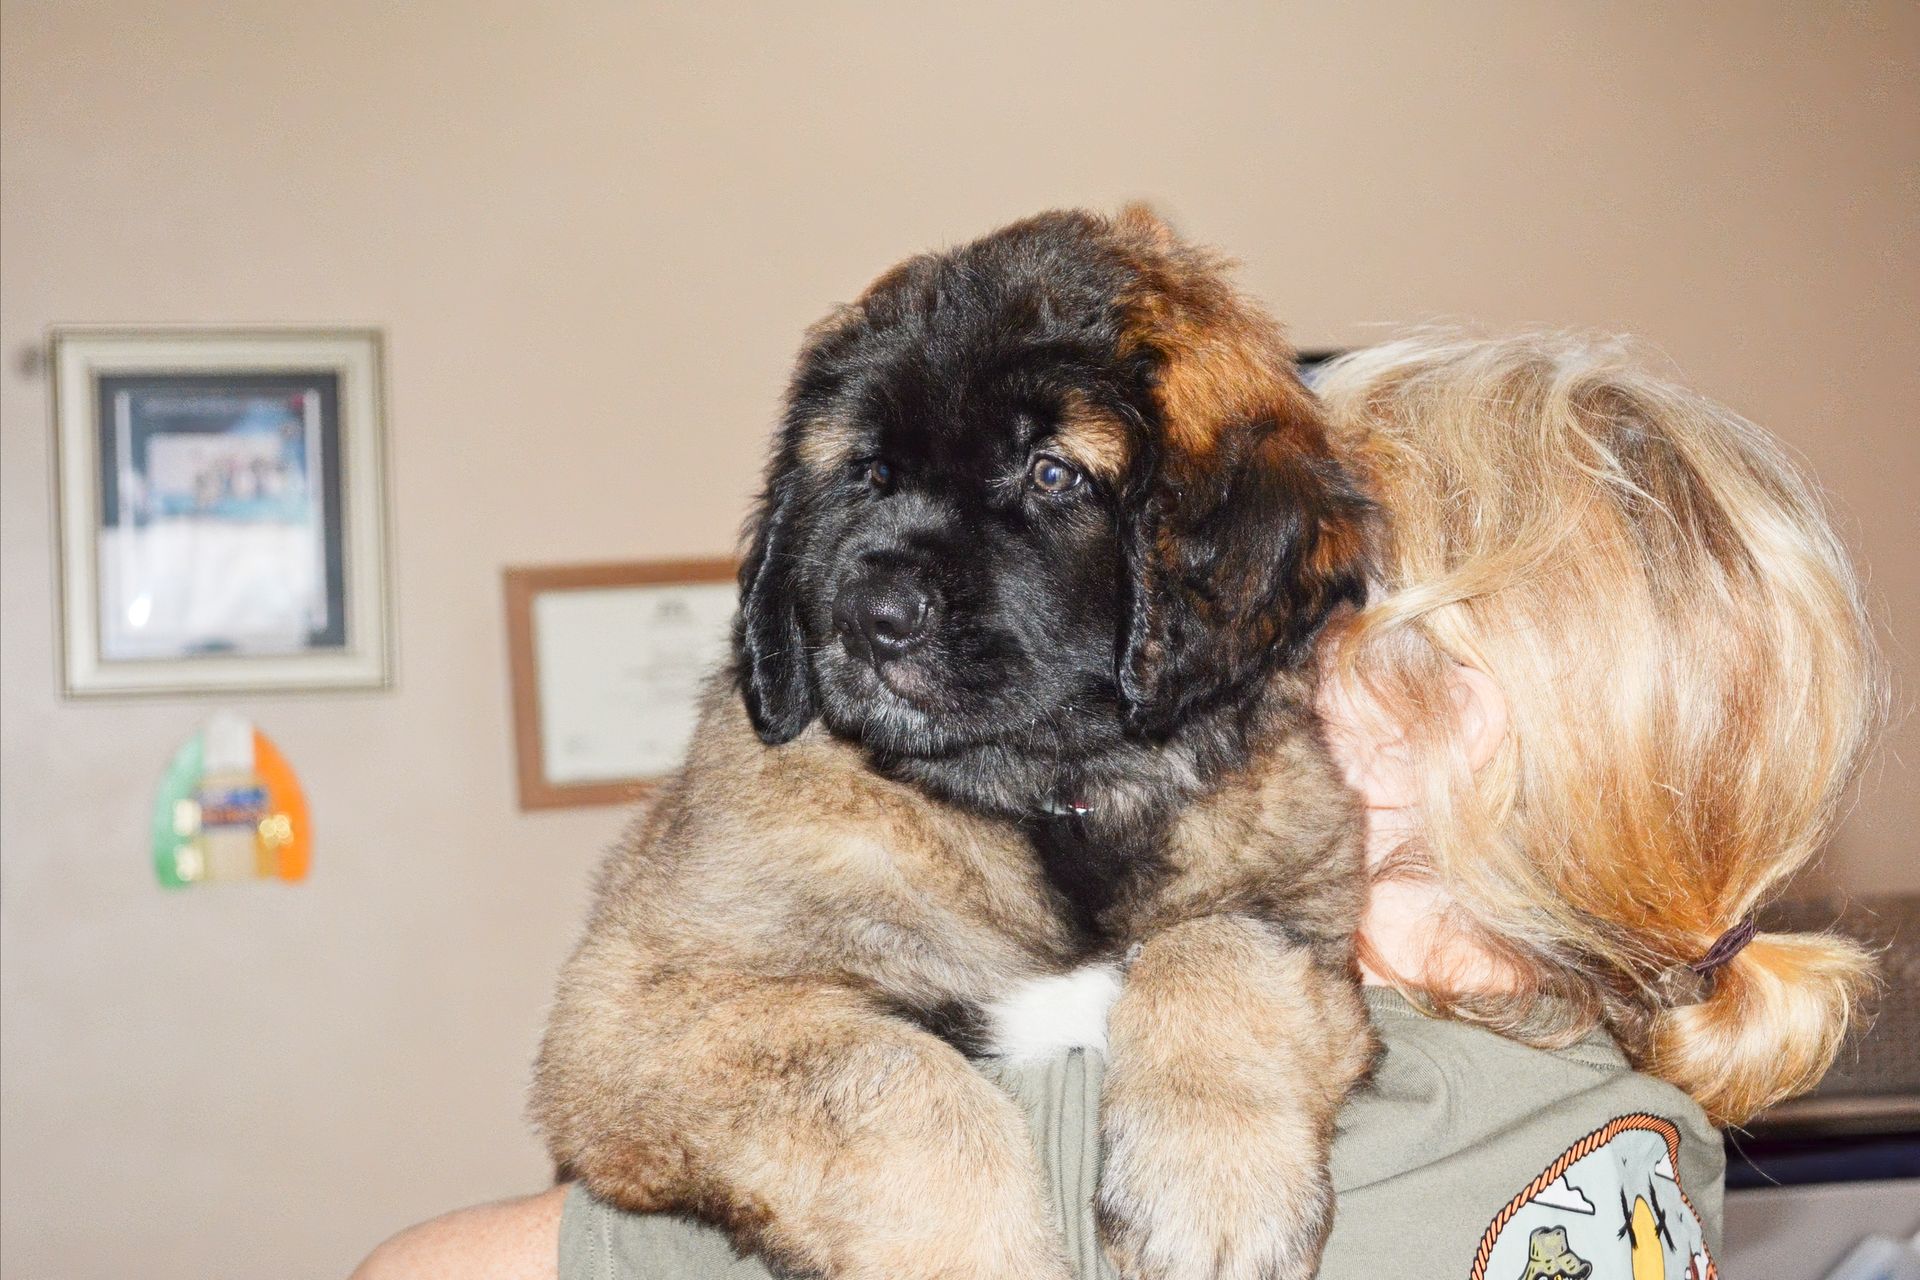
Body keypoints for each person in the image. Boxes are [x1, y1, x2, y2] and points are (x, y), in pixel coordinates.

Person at [356, 330, 1881, 1280]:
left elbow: (421, 1274)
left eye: (1266, 589)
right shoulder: (1630, 1122)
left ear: (1444, 728)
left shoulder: (1189, 1137)